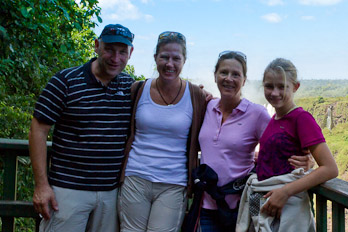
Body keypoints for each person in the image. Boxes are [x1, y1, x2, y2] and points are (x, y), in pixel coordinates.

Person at [189, 51, 314, 232]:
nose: (229, 79)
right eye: (224, 72)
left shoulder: (256, 114)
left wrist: (308, 159)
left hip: (241, 206)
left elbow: (279, 143)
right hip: (206, 205)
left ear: (244, 80)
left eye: (236, 74)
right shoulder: (207, 106)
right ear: (215, 76)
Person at [28, 24, 135, 232]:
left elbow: (159, 100)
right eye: (109, 50)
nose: (115, 58)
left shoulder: (129, 86)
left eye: (122, 52)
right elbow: (37, 131)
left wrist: (196, 94)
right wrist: (41, 186)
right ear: (96, 46)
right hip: (67, 191)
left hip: (110, 194)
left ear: (130, 53)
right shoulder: (65, 81)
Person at [117, 31, 207, 232]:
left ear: (184, 60)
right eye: (164, 57)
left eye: (176, 58)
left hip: (173, 183)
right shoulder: (138, 89)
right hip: (135, 177)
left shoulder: (196, 96)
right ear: (155, 57)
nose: (170, 64)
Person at [236, 58, 338, 231]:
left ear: (295, 87)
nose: (274, 93)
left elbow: (330, 168)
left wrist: (285, 192)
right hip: (264, 197)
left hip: (285, 202)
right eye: (269, 86)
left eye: (282, 87)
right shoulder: (274, 119)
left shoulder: (301, 119)